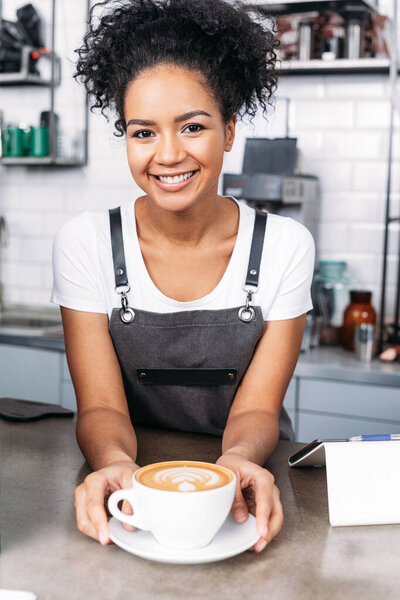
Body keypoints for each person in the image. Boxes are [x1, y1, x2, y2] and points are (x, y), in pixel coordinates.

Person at [51, 0, 315, 553]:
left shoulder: (283, 246)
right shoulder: (87, 244)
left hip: (251, 477)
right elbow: (100, 408)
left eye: (192, 126)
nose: (167, 155)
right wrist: (119, 468)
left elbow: (258, 409)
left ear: (229, 130)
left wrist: (238, 465)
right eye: (143, 133)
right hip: (138, 493)